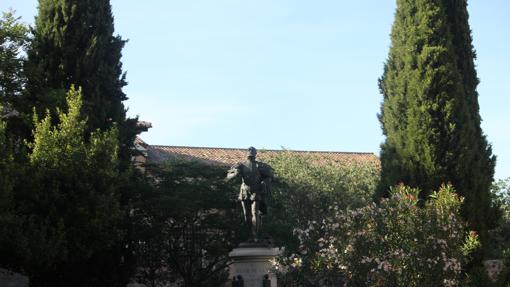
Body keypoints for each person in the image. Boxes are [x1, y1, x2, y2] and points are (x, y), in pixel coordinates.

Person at [226, 147, 273, 240]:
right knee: (246, 215)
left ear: (255, 154)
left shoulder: (260, 166)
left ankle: (256, 236)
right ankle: (250, 236)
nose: (251, 154)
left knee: (254, 213)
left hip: (256, 192)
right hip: (244, 192)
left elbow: (270, 176)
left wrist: (265, 182)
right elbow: (228, 176)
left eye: (252, 152)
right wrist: (235, 173)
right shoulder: (241, 165)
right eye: (250, 152)